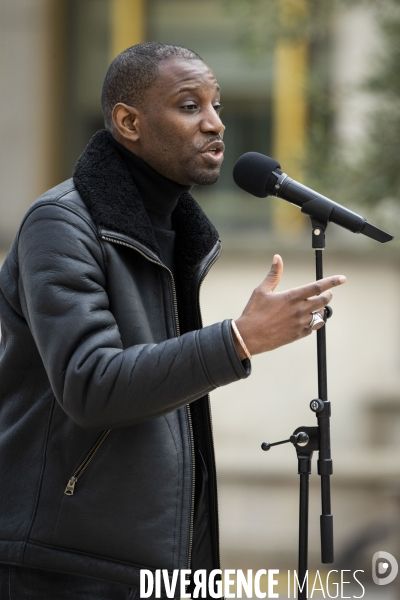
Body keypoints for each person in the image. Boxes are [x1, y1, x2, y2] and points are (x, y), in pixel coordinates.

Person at [0, 42, 345, 599]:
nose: (215, 124)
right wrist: (238, 339)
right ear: (129, 122)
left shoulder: (175, 231)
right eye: (190, 106)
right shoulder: (60, 225)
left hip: (160, 565)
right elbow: (90, 383)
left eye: (217, 105)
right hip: (63, 565)